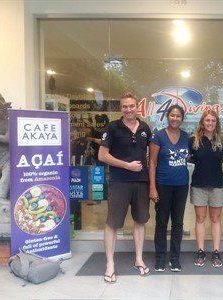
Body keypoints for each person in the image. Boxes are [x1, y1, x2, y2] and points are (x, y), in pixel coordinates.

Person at [98, 92, 152, 282]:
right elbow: (102, 155)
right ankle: (110, 264)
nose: (128, 110)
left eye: (131, 106)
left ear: (138, 108)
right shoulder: (112, 127)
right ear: (121, 108)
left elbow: (150, 156)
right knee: (112, 223)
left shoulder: (145, 127)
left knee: (140, 221)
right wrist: (127, 165)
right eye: (125, 107)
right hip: (119, 181)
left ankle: (138, 259)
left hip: (141, 182)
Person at [149, 104, 190, 272]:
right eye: (172, 115)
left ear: (182, 118)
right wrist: (152, 187)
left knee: (178, 223)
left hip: (181, 185)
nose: (175, 118)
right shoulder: (158, 136)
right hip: (163, 185)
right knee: (161, 222)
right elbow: (152, 163)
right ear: (167, 117)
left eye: (178, 116)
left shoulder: (187, 137)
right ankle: (160, 258)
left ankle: (174, 258)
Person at [189, 110, 223, 268]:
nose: (210, 123)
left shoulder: (222, 141)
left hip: (217, 185)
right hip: (199, 184)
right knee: (200, 219)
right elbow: (185, 157)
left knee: (216, 219)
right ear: (202, 122)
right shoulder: (194, 140)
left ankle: (216, 251)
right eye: (207, 120)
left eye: (213, 120)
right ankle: (200, 251)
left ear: (216, 123)